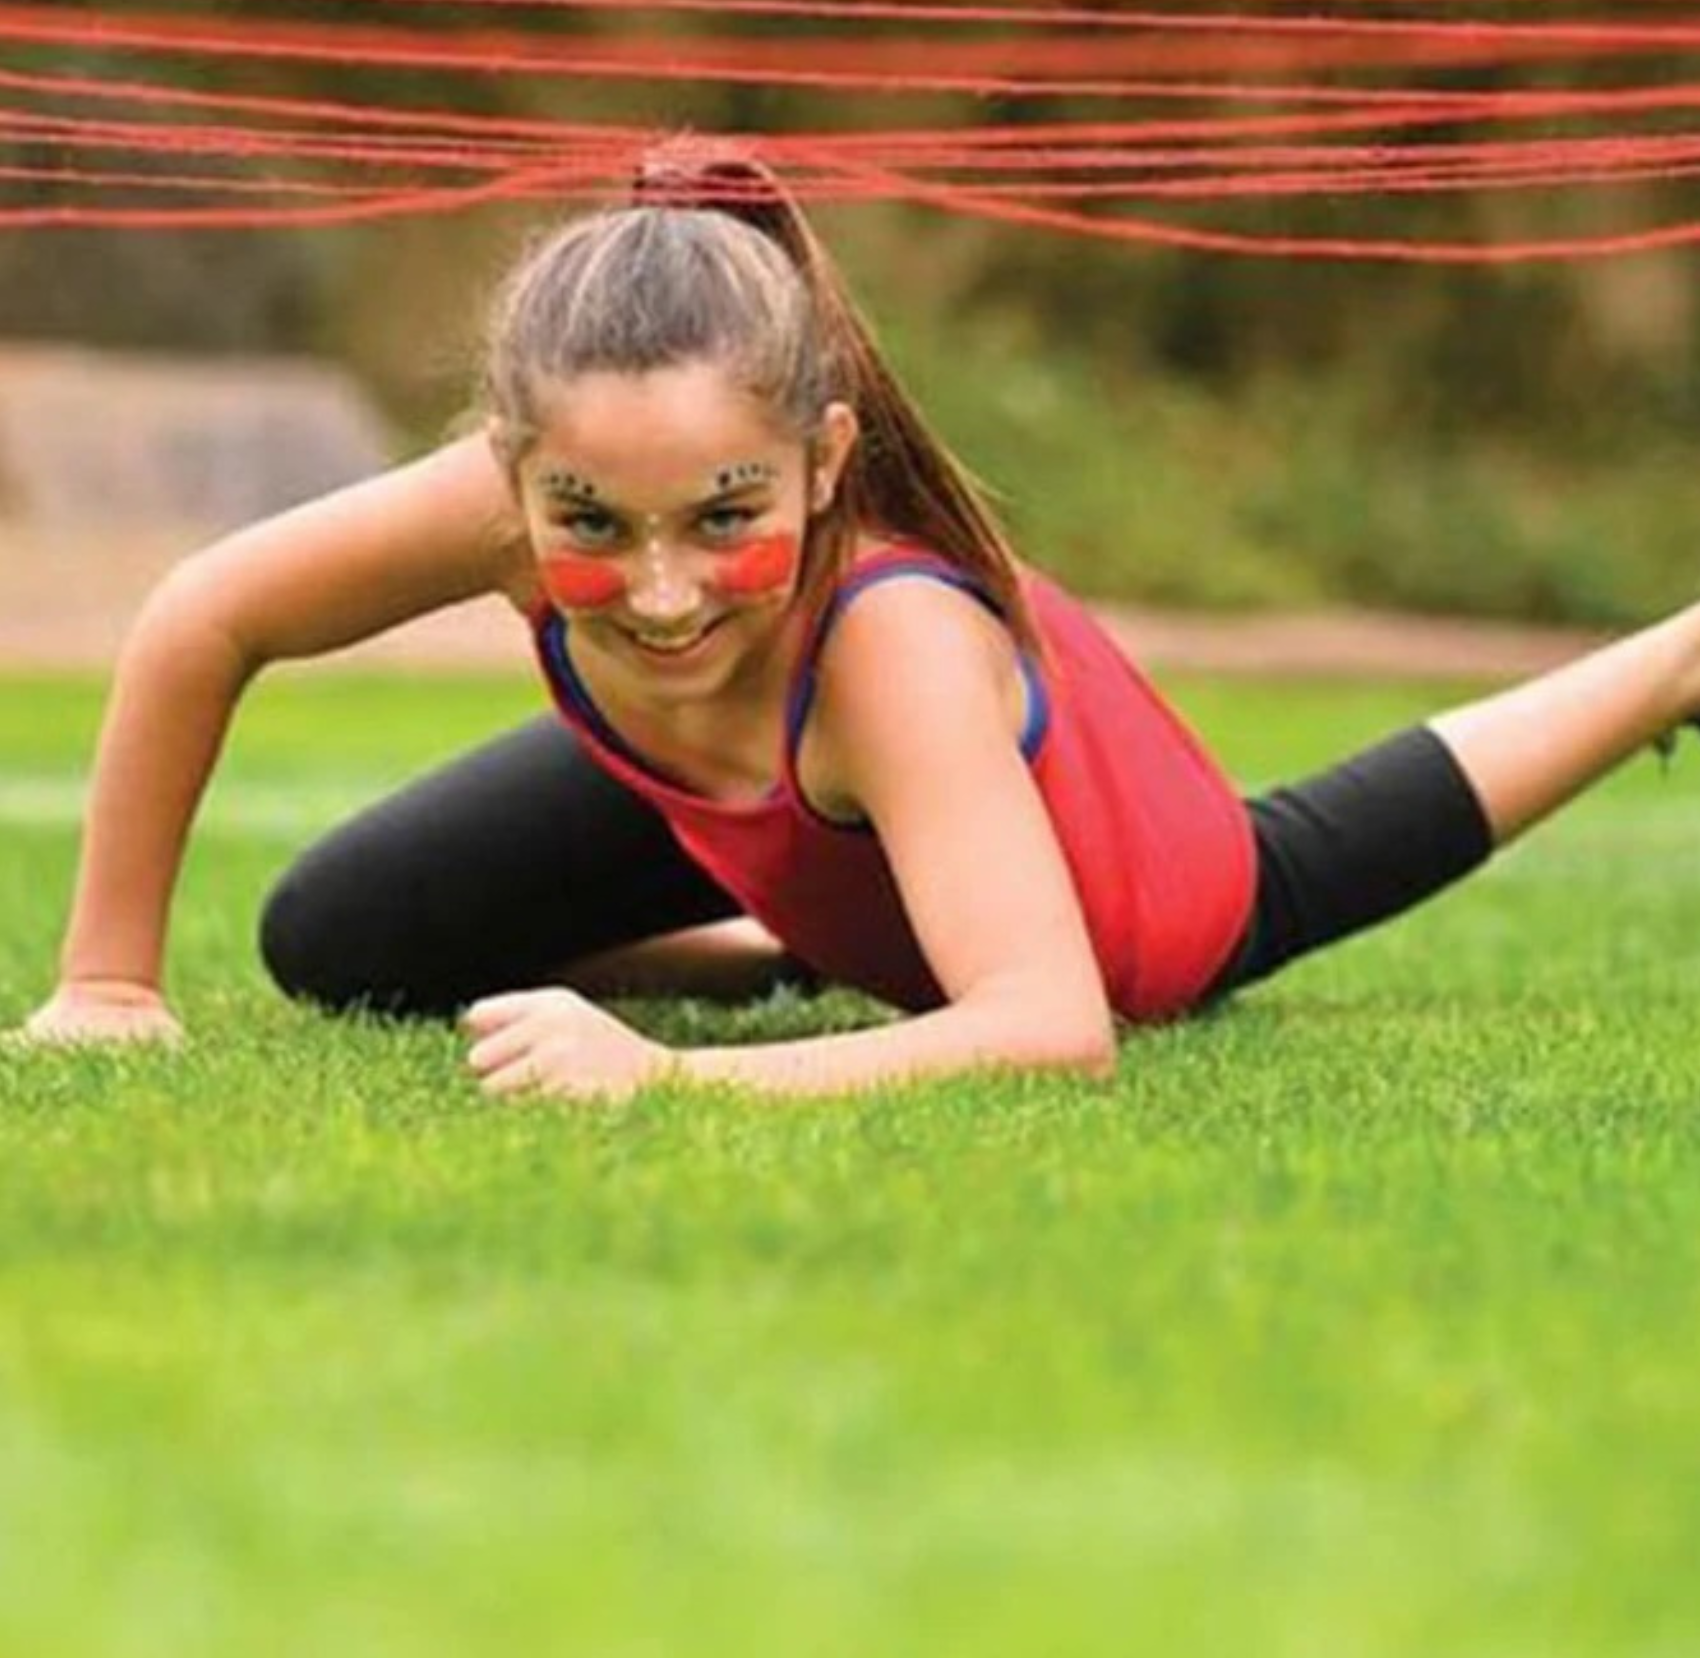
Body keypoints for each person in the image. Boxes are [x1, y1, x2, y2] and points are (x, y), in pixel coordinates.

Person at [12, 139, 1697, 1099]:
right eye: (588, 524)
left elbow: (1050, 1034)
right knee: (340, 943)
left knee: (1283, 873)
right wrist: (106, 979)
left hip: (1119, 894)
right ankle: (783, 943)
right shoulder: (519, 500)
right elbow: (202, 615)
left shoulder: (889, 644)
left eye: (725, 517)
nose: (659, 588)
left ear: (820, 466)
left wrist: (668, 1082)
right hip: (752, 820)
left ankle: (1678, 653)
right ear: (517, 470)